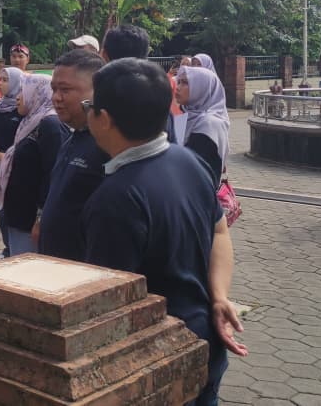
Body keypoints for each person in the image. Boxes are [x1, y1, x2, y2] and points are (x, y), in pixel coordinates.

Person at [81, 58, 246, 406]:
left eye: (89, 106)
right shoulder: (188, 161)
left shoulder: (115, 198)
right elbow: (220, 233)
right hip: (205, 339)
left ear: (105, 119)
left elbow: (112, 305)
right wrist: (218, 297)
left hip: (157, 360)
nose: (87, 113)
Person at [37, 49, 109, 261]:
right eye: (54, 89)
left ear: (96, 91)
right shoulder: (72, 137)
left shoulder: (107, 145)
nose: (56, 98)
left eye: (65, 90)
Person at [0, 74, 67, 256]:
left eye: (23, 90)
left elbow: (52, 176)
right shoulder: (30, 121)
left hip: (30, 221)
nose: (18, 96)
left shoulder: (50, 125)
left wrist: (41, 219)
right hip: (18, 215)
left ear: (38, 93)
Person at [0, 66, 24, 260]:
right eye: (0, 79)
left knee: (13, 205)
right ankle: (7, 247)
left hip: (16, 165)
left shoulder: (24, 108)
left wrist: (9, 156)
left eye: (5, 80)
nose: (0, 83)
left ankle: (16, 249)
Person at [175, 66, 231, 187]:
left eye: (185, 83)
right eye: (178, 82)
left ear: (201, 88)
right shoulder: (186, 115)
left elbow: (191, 167)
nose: (178, 87)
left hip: (199, 194)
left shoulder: (208, 124)